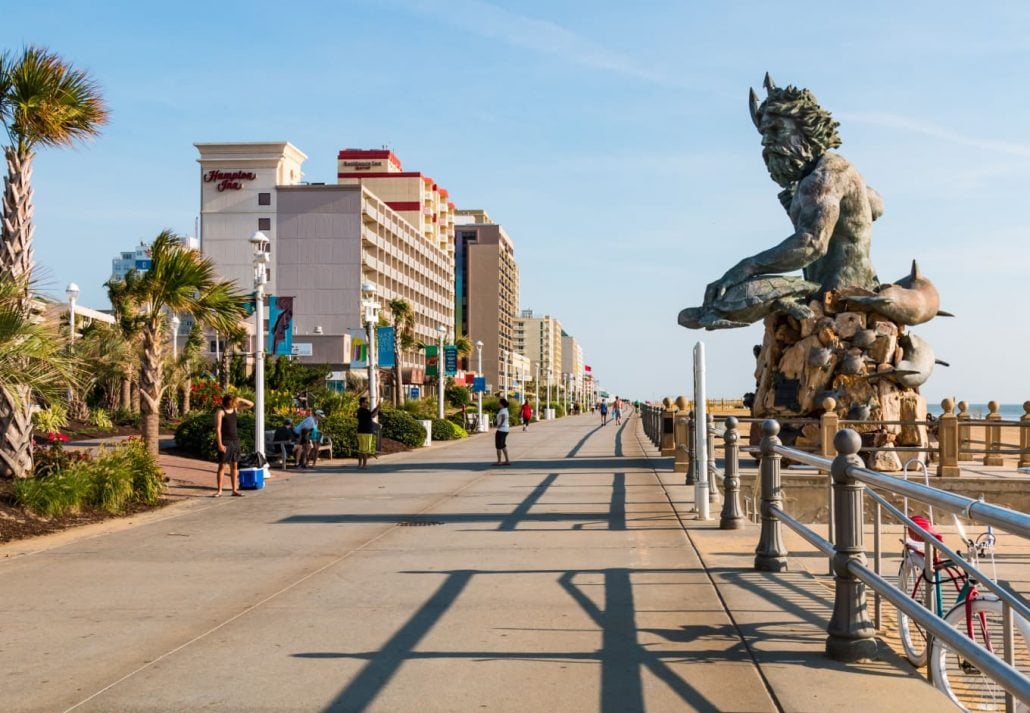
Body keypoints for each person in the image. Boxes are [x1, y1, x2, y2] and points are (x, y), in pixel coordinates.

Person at [690, 76, 881, 327]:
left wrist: (747, 266)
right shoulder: (813, 180)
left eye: (776, 130)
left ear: (805, 130)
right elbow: (877, 205)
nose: (766, 141)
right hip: (818, 296)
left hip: (844, 301)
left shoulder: (829, 174)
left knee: (739, 290)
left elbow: (812, 244)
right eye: (764, 133)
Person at [214, 393, 253, 497]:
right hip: (225, 441)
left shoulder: (235, 409)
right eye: (234, 401)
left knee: (235, 465)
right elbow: (218, 429)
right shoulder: (220, 411)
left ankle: (234, 490)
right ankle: (219, 490)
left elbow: (251, 404)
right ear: (229, 402)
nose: (236, 403)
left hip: (235, 441)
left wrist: (240, 398)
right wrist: (220, 444)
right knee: (222, 466)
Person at [356, 397, 380, 470]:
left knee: (361, 449)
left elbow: (372, 415)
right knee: (365, 450)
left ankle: (360, 464)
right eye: (366, 402)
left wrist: (377, 409)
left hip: (360, 432)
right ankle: (364, 465)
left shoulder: (360, 410)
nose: (367, 404)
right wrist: (377, 408)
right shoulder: (364, 410)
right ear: (362, 403)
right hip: (366, 432)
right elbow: (372, 415)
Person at [494, 397, 511, 465]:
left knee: (498, 446)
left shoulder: (503, 411)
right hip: (505, 430)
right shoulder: (505, 410)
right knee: (503, 445)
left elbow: (503, 417)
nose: (498, 404)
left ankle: (499, 461)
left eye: (499, 403)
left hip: (501, 430)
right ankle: (507, 460)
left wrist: (500, 425)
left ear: (502, 404)